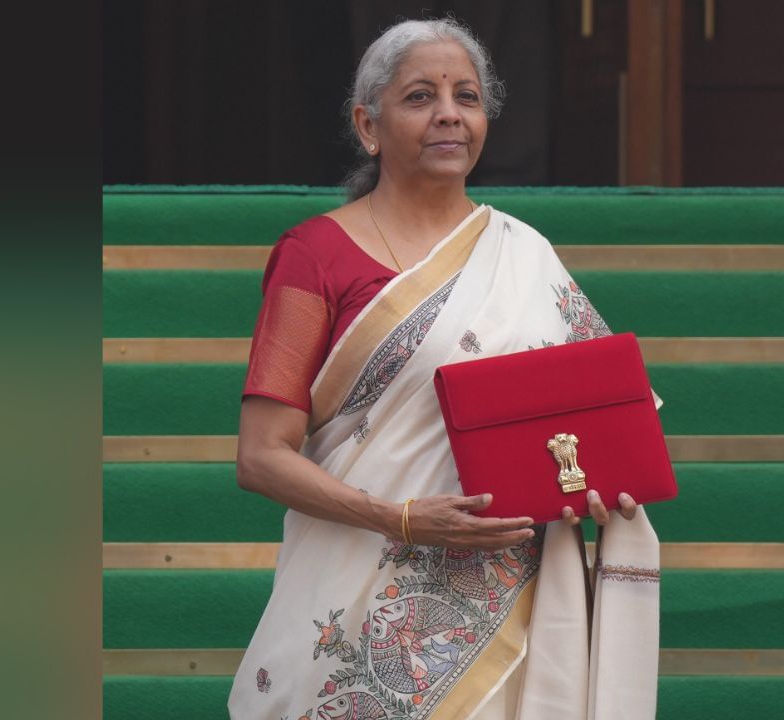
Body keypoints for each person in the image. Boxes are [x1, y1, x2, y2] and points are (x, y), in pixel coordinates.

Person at [228, 18, 661, 720]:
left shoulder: (524, 255)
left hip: (510, 600)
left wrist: (594, 486)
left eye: (466, 96)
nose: (449, 114)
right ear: (368, 125)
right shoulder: (316, 256)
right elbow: (260, 456)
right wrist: (399, 518)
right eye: (420, 96)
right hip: (358, 600)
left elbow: (606, 422)